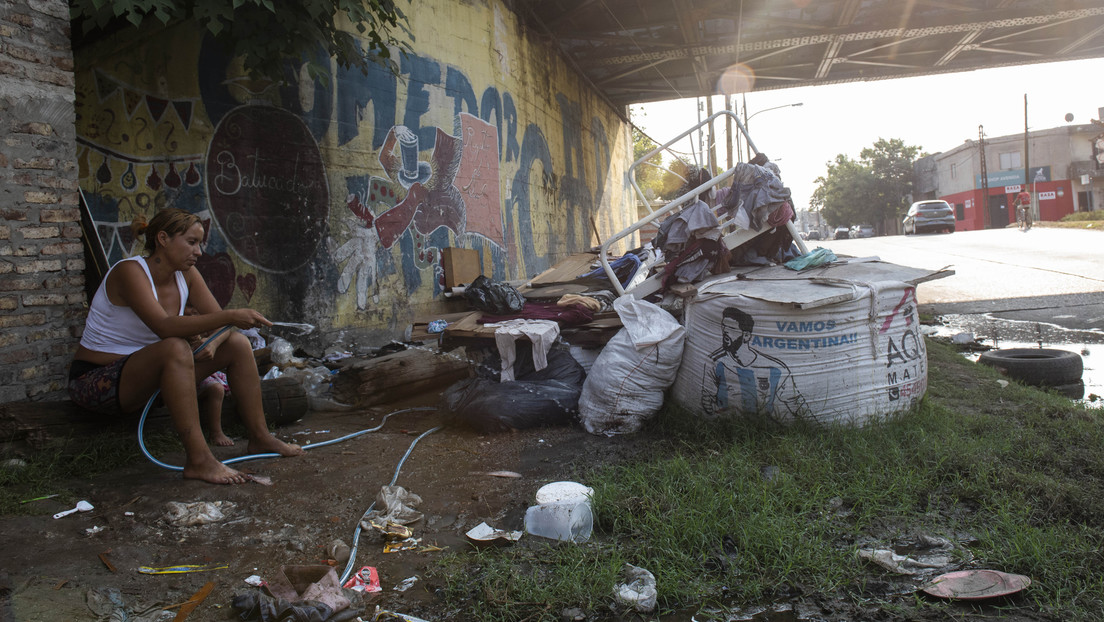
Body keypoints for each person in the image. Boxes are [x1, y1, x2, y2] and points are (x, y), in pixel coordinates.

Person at [68, 208, 303, 485]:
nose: (199, 252)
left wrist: (214, 342)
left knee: (237, 344)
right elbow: (164, 326)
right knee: (175, 347)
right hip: (100, 380)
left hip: (155, 380)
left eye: (199, 244)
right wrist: (231, 316)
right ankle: (199, 461)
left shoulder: (187, 275)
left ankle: (260, 437)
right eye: (191, 242)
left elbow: (222, 329)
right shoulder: (129, 272)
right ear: (163, 239)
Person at [701, 305, 808, 420]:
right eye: (723, 327)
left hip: (766, 430)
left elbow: (795, 402)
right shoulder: (716, 362)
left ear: (746, 336)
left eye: (731, 328)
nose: (725, 332)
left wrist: (812, 425)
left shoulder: (774, 368)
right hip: (728, 427)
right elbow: (707, 396)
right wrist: (708, 405)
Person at [185, 304, 234, 447]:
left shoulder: (202, 326)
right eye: (188, 307)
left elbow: (225, 328)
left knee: (220, 387)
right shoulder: (173, 325)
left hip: (203, 374)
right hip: (182, 375)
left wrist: (211, 342)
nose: (193, 311)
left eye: (194, 307)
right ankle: (214, 433)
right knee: (216, 389)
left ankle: (220, 429)